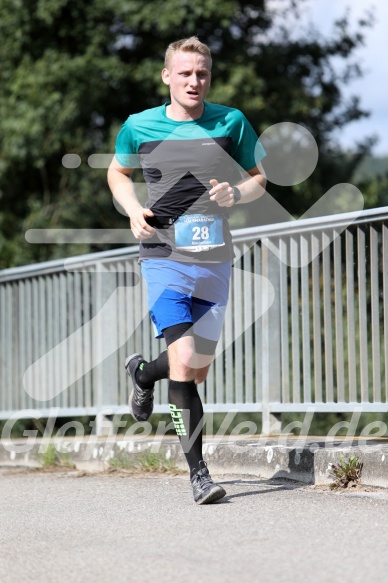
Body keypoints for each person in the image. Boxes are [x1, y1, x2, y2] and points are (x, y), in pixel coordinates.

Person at [107, 36, 266, 504]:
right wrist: (133, 209)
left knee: (194, 370)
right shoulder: (139, 126)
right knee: (183, 359)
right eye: (185, 73)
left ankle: (141, 374)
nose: (194, 81)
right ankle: (199, 474)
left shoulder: (231, 121)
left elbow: (259, 178)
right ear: (167, 76)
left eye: (202, 74)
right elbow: (117, 173)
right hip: (163, 255)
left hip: (215, 258)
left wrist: (236, 194)